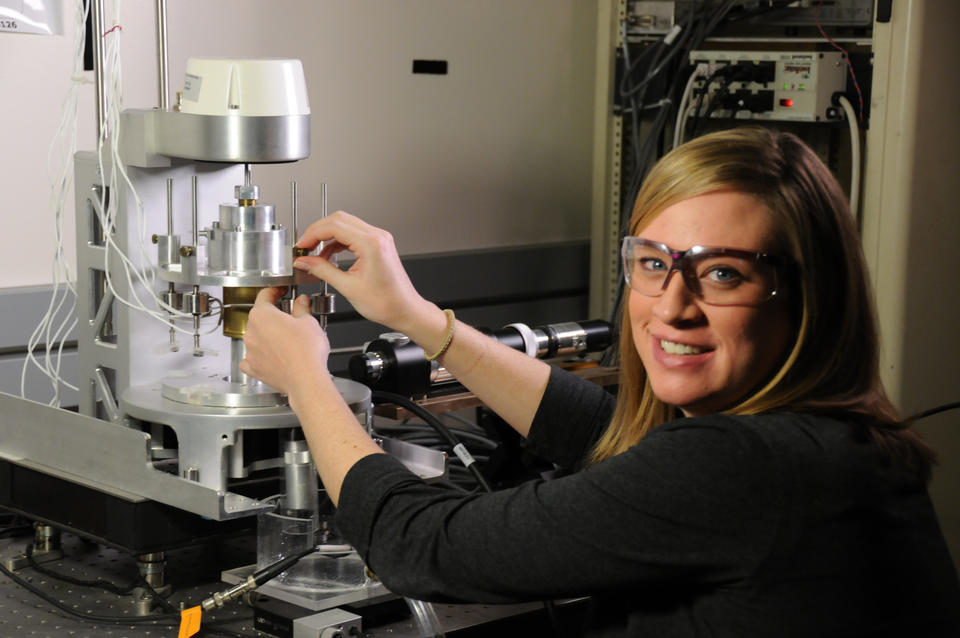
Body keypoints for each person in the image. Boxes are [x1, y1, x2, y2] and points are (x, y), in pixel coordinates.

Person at [240, 126, 960, 637]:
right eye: (653, 263)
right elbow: (612, 438)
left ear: (809, 297)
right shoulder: (832, 440)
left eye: (723, 274)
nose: (672, 308)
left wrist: (307, 381)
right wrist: (417, 317)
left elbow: (420, 545)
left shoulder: (751, 466)